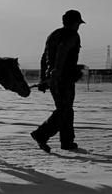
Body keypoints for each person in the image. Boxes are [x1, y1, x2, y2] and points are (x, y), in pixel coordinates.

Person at [31, 10, 86, 153]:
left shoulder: (53, 35)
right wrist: (57, 73)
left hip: (53, 78)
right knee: (64, 109)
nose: (78, 26)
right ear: (74, 23)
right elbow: (62, 53)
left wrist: (44, 79)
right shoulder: (72, 35)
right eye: (78, 23)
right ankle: (41, 134)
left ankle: (67, 141)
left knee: (66, 108)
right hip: (63, 78)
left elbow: (44, 58)